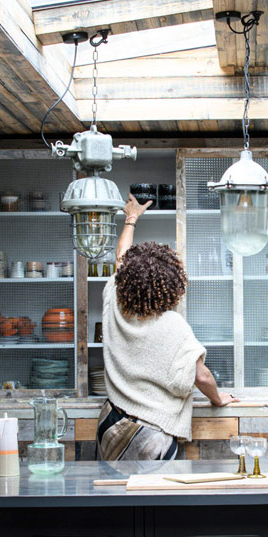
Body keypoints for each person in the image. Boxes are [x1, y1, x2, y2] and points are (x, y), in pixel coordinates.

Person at [97, 195, 234, 463]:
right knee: (156, 503)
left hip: (111, 424)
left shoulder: (113, 295)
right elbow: (202, 377)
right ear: (171, 284)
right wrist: (218, 399)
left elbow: (120, 258)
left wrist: (131, 219)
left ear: (127, 278)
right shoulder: (173, 326)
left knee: (112, 499)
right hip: (151, 434)